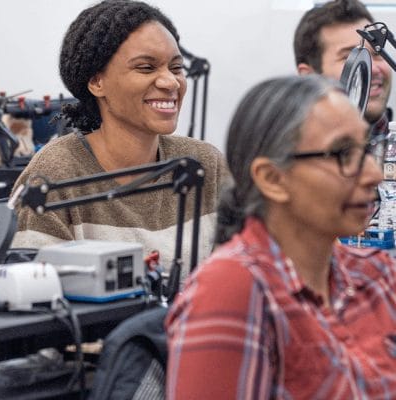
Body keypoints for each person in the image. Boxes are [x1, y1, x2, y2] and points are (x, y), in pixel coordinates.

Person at [165, 75, 396, 399]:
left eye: (368, 148)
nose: (372, 173)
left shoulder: (377, 274)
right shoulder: (233, 292)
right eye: (343, 154)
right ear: (272, 178)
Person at [11, 0, 228, 279]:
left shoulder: (204, 165)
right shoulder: (55, 174)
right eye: (147, 68)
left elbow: (242, 273)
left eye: (175, 68)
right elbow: (33, 294)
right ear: (96, 82)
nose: (171, 83)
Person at [294, 0, 392, 136]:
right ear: (309, 76)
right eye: (349, 56)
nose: (373, 69)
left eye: (377, 53)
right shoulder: (285, 150)